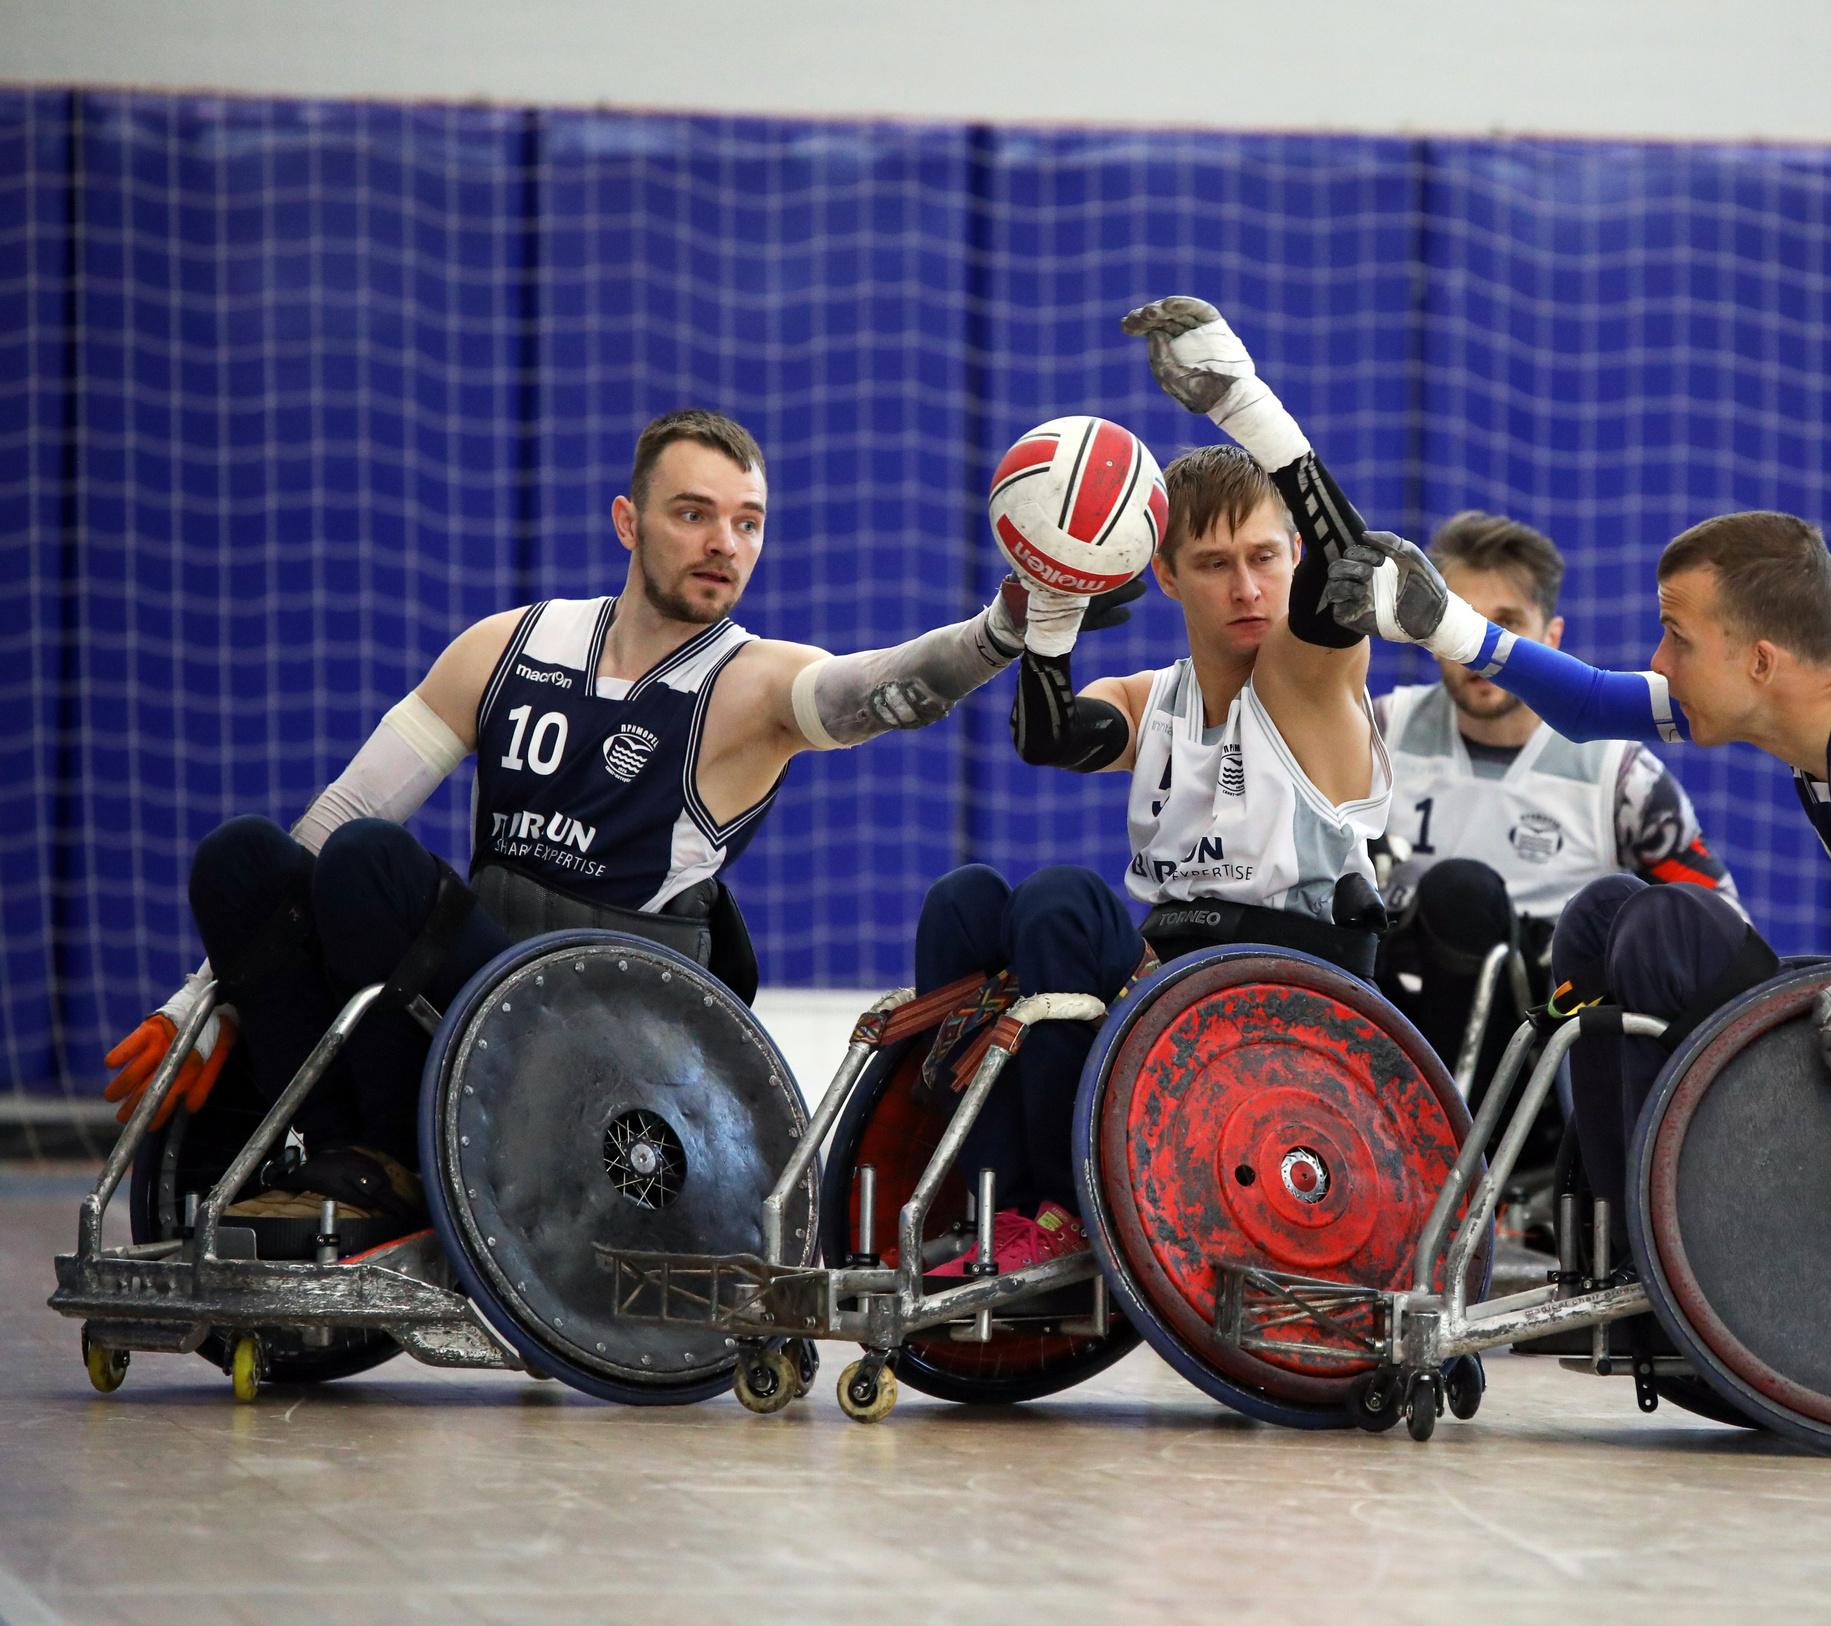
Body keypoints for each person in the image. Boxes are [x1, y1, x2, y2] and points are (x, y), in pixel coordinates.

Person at [101, 408, 1107, 1258]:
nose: (725, 543)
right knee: (245, 855)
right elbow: (338, 817)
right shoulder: (508, 644)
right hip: (465, 987)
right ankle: (329, 1160)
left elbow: (876, 693)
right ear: (628, 522)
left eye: (748, 523)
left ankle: (388, 1168)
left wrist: (999, 632)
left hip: (605, 1024)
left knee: (372, 868)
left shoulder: (751, 683)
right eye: (695, 515)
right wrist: (209, 993)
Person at [1323, 507, 1831, 1260]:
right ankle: (1627, 1249)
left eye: (1676, 636)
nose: (1657, 660)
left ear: (1758, 659)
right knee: (1603, 913)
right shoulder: (1791, 706)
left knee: (1671, 923)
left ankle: (1688, 1246)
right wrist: (1451, 628)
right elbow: (1590, 703)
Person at [906, 299, 1391, 1273]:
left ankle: (1062, 1212)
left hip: (1288, 997)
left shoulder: (1308, 675)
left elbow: (1352, 567)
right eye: (1215, 565)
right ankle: (991, 1197)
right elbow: (1046, 737)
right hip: (1167, 992)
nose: (1248, 588)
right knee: (965, 904)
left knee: (1062, 902)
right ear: (1165, 577)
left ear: (1290, 555)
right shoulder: (1149, 696)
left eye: (1263, 558)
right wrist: (1052, 604)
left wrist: (1243, 404)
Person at [1373, 509, 1741, 1107]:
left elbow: (1720, 923)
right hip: (1392, 1028)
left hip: (1548, 1060)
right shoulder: (1378, 732)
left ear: (1550, 639)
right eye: (1459, 620)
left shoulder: (1619, 776)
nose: (1477, 647)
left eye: (1506, 623)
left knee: (1471, 898)